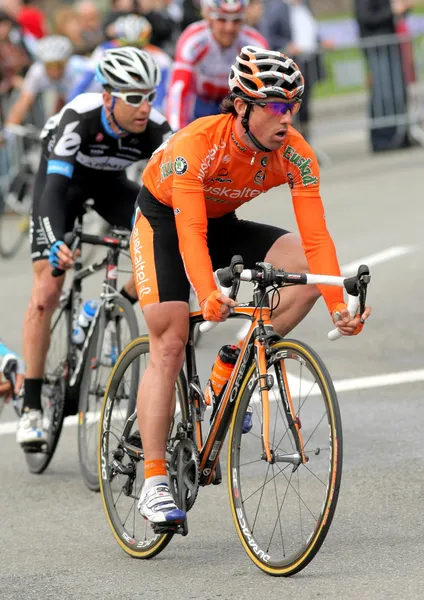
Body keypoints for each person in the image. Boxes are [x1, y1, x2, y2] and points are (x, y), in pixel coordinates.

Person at [130, 46, 371, 525]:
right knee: (171, 337)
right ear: (241, 105)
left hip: (222, 222)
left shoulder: (295, 154)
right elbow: (190, 233)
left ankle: (231, 367)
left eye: (292, 106)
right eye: (276, 106)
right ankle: (154, 480)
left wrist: (338, 304)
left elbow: (317, 238)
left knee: (302, 276)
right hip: (165, 220)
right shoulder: (197, 144)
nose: (287, 117)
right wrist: (208, 292)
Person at [17, 47, 172, 447]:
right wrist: (55, 243)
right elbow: (52, 189)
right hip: (62, 188)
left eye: (149, 96)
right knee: (48, 289)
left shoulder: (156, 128)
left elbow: (174, 192)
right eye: (133, 97)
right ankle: (32, 406)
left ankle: (103, 307)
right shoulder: (80, 117)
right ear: (109, 97)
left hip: (111, 188)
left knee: (167, 242)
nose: (144, 107)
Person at [166, 0, 268, 131]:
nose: (229, 28)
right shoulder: (194, 38)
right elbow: (179, 88)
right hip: (200, 102)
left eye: (236, 20)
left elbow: (263, 92)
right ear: (209, 17)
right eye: (222, 19)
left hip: (233, 104)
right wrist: (174, 130)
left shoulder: (255, 43)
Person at [68, 14, 172, 114]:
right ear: (118, 41)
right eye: (127, 45)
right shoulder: (103, 51)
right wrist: (70, 108)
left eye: (138, 46)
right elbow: (84, 82)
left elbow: (163, 93)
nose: (132, 51)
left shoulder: (161, 59)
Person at [260, 0, 331, 142]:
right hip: (289, 67)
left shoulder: (305, 7)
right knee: (289, 108)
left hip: (308, 63)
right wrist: (287, 45)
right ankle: (289, 142)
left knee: (304, 106)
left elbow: (311, 31)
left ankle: (304, 142)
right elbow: (270, 37)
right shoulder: (278, 9)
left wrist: (320, 42)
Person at [354, 0, 413, 152]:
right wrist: (392, 10)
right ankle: (382, 139)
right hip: (376, 47)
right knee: (383, 92)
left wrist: (404, 8)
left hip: (391, 44)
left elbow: (398, 15)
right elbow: (366, 17)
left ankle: (400, 136)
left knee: (397, 91)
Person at [5, 35, 90, 126]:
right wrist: (9, 130)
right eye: (50, 66)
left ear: (67, 62)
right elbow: (23, 102)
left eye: (60, 65)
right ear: (43, 64)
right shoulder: (37, 71)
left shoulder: (78, 70)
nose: (55, 71)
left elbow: (75, 106)